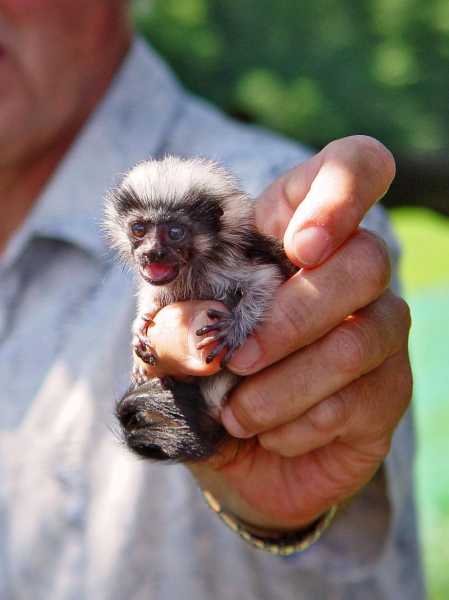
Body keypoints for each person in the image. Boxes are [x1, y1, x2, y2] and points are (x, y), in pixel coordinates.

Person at [0, 2, 424, 599]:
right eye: (141, 234)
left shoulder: (272, 198)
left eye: (171, 234)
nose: (153, 249)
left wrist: (282, 502)